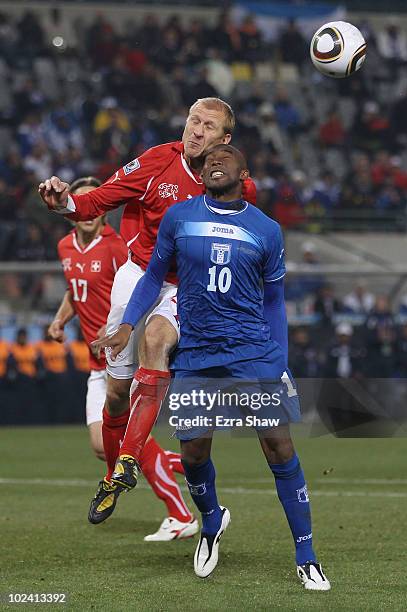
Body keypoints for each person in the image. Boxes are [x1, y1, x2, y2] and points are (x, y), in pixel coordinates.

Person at [93, 145, 330, 590]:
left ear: (245, 172)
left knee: (279, 449)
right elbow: (151, 278)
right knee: (195, 453)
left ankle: (306, 554)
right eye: (206, 161)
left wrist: (277, 360)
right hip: (197, 353)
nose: (212, 162)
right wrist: (127, 326)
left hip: (251, 353)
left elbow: (274, 301)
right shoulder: (179, 218)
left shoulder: (267, 230)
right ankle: (210, 523)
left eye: (224, 157)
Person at [38, 97, 256, 524]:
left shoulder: (234, 187)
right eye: (193, 120)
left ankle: (128, 463)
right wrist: (63, 203)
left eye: (208, 126)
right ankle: (113, 477)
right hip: (137, 277)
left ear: (224, 139)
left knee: (156, 341)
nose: (195, 130)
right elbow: (95, 202)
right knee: (116, 392)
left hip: (187, 287)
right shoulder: (158, 160)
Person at [50, 175, 198, 541]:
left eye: (93, 206)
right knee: (103, 448)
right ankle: (185, 466)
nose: (87, 214)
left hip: (119, 356)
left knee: (124, 445)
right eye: (80, 202)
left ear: (102, 213)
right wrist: (60, 318)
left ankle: (180, 513)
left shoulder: (118, 248)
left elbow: (146, 286)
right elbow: (75, 289)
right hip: (94, 360)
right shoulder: (65, 247)